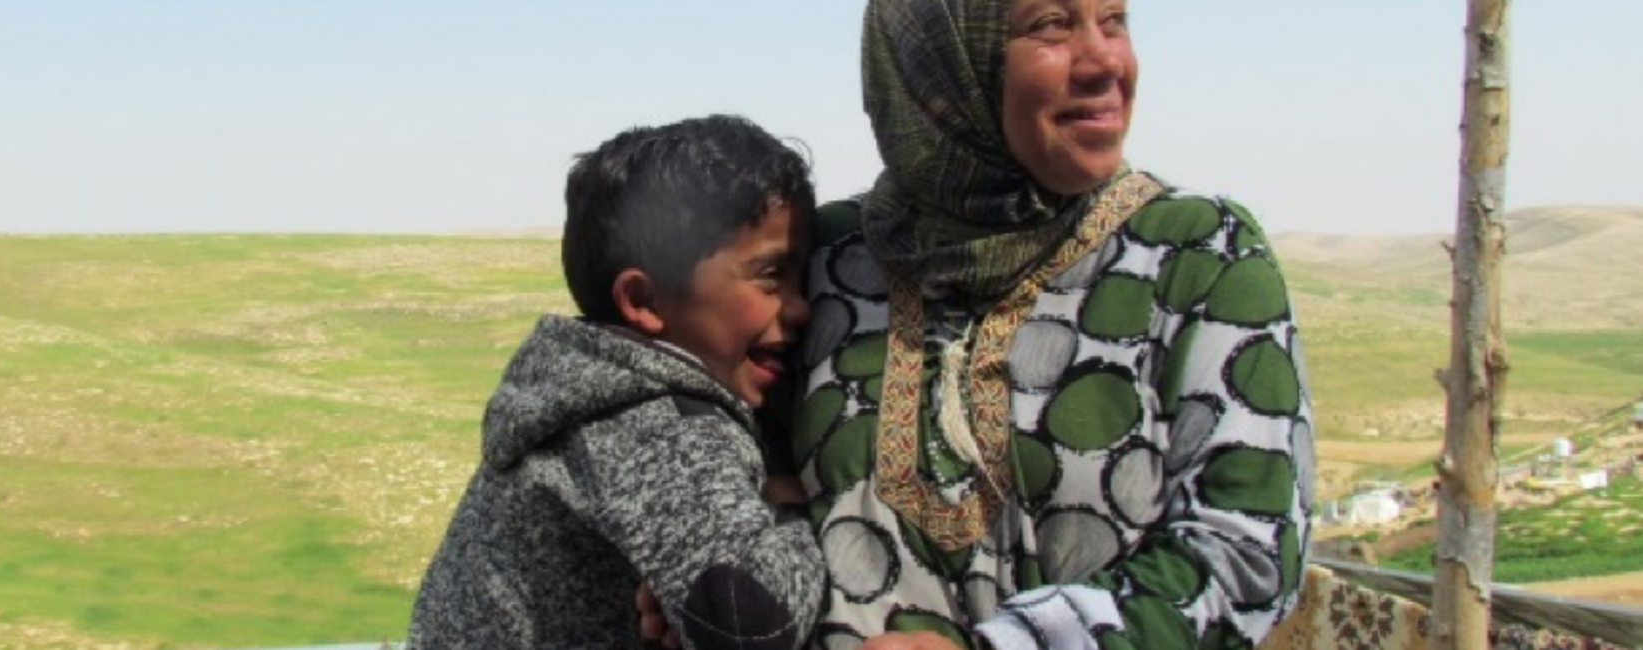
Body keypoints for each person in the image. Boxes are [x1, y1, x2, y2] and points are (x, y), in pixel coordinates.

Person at [790, 1, 1315, 649]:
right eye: (1051, 25)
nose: (1106, 62)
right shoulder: (822, 256)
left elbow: (1248, 553)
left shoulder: (1196, 256)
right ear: (939, 58)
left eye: (1115, 20)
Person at [408, 114, 827, 650]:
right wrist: (804, 510)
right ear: (644, 302)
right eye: (772, 275)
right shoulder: (654, 423)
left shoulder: (587, 388)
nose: (800, 307)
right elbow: (753, 628)